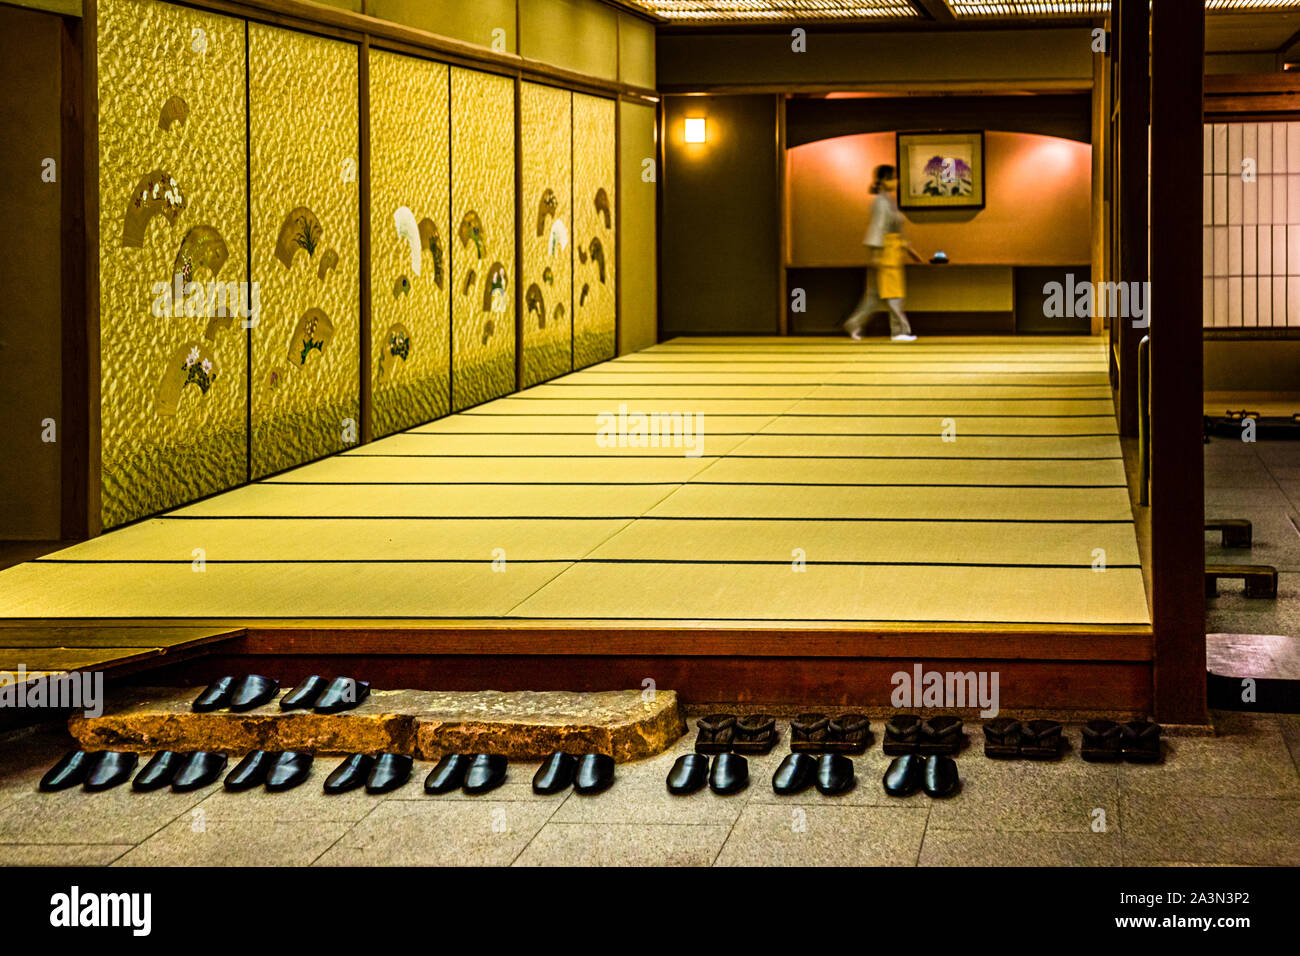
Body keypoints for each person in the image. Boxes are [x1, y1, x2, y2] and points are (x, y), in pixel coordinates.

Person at [843, 163, 925, 342]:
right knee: (894, 294)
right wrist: (876, 254)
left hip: (892, 250)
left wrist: (909, 250)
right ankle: (899, 331)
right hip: (886, 252)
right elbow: (878, 227)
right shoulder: (881, 202)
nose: (897, 181)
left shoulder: (888, 201)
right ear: (885, 181)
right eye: (893, 178)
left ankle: (855, 323)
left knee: (877, 294)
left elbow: (895, 229)